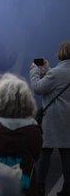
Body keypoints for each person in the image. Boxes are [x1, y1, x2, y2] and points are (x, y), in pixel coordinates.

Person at [30, 41, 70, 196]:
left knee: (46, 151)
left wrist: (34, 71)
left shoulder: (56, 73)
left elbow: (39, 88)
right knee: (66, 152)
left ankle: (40, 187)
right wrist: (48, 69)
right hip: (68, 118)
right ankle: (67, 187)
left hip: (54, 118)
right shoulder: (57, 72)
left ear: (61, 53)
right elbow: (60, 83)